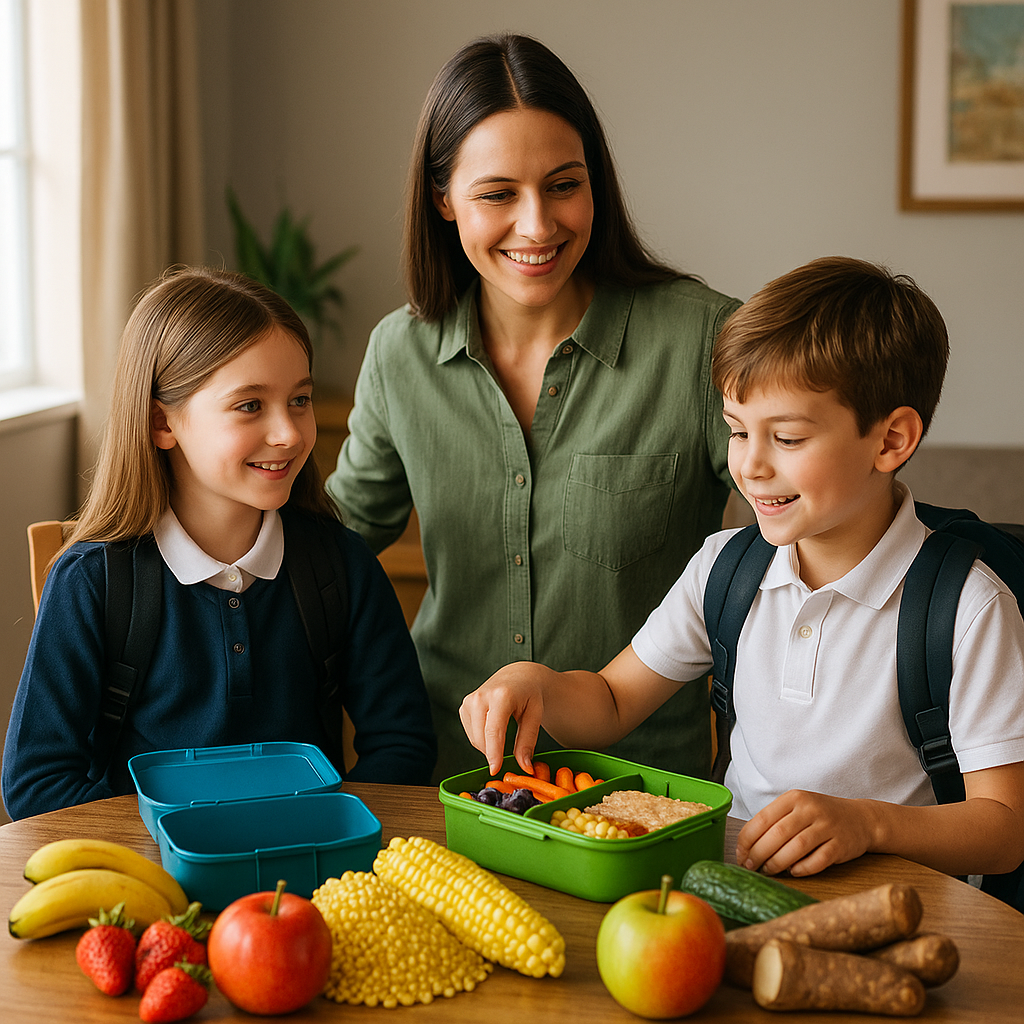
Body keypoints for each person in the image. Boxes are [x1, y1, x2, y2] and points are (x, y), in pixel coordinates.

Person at [460, 256, 1024, 880]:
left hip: (901, 913)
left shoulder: (968, 607)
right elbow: (613, 700)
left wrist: (868, 823)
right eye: (736, 431)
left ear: (891, 440)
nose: (749, 466)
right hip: (735, 889)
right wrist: (535, 682)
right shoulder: (724, 569)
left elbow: (1003, 828)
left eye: (786, 439)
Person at [326, 33, 742, 783]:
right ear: (442, 198)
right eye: (497, 194)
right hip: (446, 784)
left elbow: (802, 524)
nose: (537, 225)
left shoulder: (703, 339)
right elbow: (329, 547)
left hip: (642, 790)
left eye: (562, 184)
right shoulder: (400, 354)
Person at [2, 267, 436, 820]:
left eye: (299, 400)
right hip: (153, 881)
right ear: (163, 423)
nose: (289, 433)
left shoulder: (343, 566)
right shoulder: (92, 581)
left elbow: (402, 746)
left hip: (306, 867)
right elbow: (38, 784)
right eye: (250, 405)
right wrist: (186, 844)